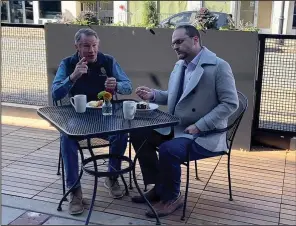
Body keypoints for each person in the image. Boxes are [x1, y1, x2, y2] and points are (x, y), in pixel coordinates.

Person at [130, 24, 238, 218]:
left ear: (195, 39)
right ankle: (159, 186)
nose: (175, 47)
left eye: (179, 42)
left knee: (168, 150)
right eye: (173, 44)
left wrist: (200, 125)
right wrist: (153, 95)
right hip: (178, 128)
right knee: (138, 132)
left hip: (205, 134)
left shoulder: (219, 66)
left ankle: (172, 197)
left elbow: (230, 104)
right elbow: (175, 97)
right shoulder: (180, 65)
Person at [52, 28, 132, 215]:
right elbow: (55, 93)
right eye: (86, 46)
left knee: (121, 132)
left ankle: (112, 176)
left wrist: (117, 85)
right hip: (78, 118)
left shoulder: (108, 61)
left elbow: (128, 86)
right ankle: (75, 191)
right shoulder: (68, 64)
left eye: (94, 45)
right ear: (77, 47)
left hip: (106, 115)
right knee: (67, 137)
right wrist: (73, 77)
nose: (91, 50)